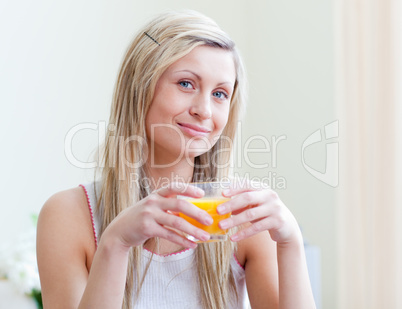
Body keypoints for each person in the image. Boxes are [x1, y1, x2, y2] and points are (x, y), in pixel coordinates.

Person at [36, 10, 316, 309]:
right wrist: (115, 243)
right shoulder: (68, 215)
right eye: (186, 84)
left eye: (220, 93)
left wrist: (291, 244)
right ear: (139, 88)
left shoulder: (241, 217)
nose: (204, 110)